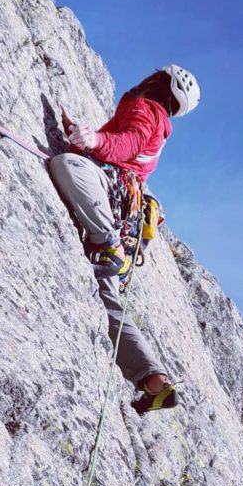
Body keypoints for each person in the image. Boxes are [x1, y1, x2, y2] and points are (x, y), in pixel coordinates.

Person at [49, 65, 200, 414]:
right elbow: (120, 146)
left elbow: (126, 144)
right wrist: (82, 134)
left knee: (65, 165)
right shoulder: (159, 124)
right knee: (108, 301)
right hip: (125, 214)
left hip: (113, 205)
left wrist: (94, 141)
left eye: (156, 75)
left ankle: (106, 243)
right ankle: (154, 380)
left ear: (162, 84)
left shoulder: (147, 108)